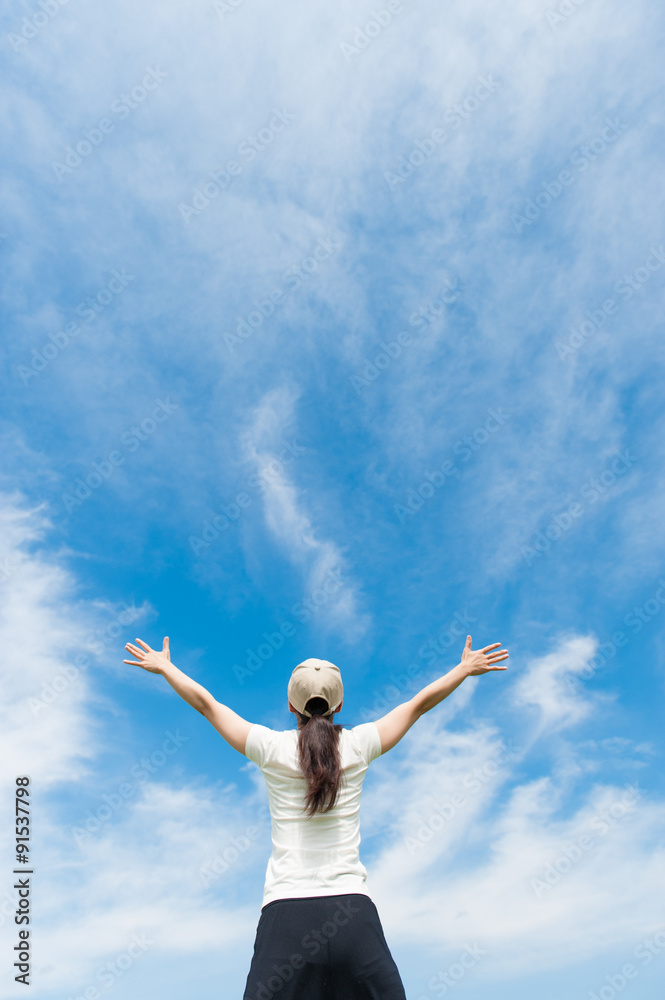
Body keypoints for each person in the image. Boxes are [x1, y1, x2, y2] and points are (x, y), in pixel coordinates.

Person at [124, 633, 509, 999]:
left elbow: (209, 705)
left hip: (285, 918)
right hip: (353, 917)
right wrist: (463, 669)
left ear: (291, 706)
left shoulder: (270, 747)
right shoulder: (359, 745)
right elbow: (417, 705)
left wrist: (166, 668)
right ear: (338, 705)